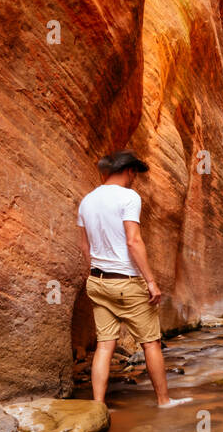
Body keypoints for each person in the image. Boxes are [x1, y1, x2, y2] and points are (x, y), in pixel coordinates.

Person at [77, 150, 185, 407]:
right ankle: (163, 401)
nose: (134, 178)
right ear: (129, 171)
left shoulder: (87, 200)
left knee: (105, 345)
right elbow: (133, 241)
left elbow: (84, 247)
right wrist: (150, 281)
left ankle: (98, 405)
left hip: (97, 282)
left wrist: (100, 272)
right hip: (126, 282)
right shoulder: (129, 197)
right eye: (134, 173)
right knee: (151, 343)